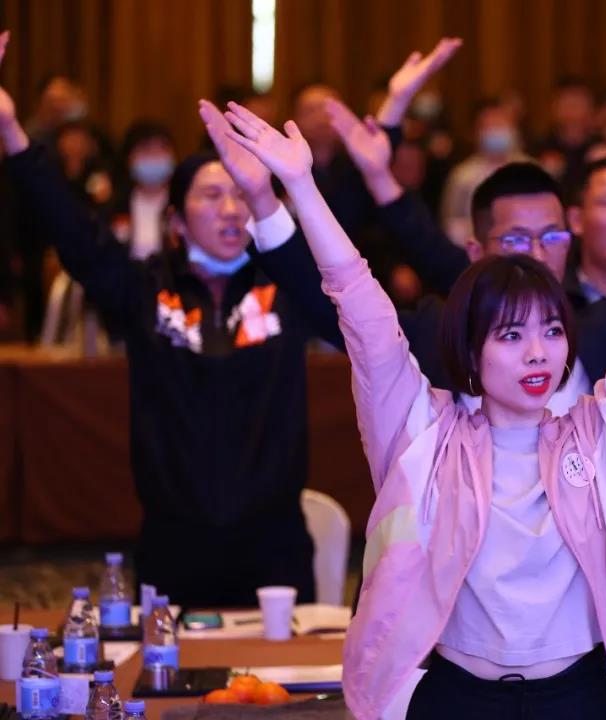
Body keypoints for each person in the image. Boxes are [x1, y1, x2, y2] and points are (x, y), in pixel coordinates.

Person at [222, 82, 606, 720]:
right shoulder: (423, 433)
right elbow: (358, 302)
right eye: (511, 335)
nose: (538, 353)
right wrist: (301, 188)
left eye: (552, 331)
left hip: (582, 698)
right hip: (455, 699)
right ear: (469, 348)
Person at [0, 29, 349, 606]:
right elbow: (71, 231)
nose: (231, 209)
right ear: (177, 222)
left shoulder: (287, 287)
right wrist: (13, 132)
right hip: (175, 545)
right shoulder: (145, 290)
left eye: (240, 195)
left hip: (274, 545)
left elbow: (349, 251)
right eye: (211, 196)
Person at [440, 97, 529, 246]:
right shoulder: (462, 177)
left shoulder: (530, 170)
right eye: (488, 126)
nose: (495, 132)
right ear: (476, 133)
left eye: (500, 125)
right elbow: (452, 226)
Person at [107, 121, 177, 260]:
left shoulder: (183, 204)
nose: (155, 156)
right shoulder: (114, 207)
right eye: (146, 149)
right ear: (128, 158)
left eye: (162, 148)